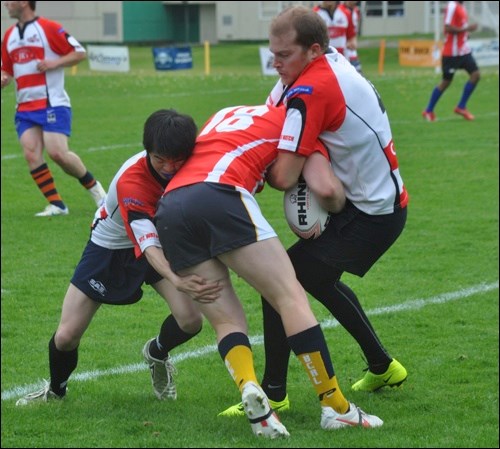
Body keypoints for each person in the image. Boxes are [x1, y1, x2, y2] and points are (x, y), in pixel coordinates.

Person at [219, 5, 408, 417]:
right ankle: (382, 366)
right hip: (371, 204)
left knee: (280, 281)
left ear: (313, 50)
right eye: (273, 53)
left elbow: (285, 176)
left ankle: (274, 392)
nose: (275, 62)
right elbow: (271, 112)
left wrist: (305, 152)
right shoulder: (323, 66)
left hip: (373, 215)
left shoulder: (313, 88)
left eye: (284, 55)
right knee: (312, 281)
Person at [155, 103, 383, 439]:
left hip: (171, 208)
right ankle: (335, 407)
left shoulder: (223, 112)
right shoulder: (299, 123)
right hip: (221, 193)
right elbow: (324, 189)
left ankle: (251, 390)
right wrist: (334, 210)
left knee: (226, 320)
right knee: (288, 295)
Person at [15, 109, 222, 406]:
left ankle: (156, 353)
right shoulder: (132, 181)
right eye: (159, 159)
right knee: (66, 336)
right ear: (148, 150)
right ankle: (56, 392)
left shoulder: (191, 162)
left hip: (159, 238)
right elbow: (146, 246)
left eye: (175, 160)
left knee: (190, 321)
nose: (168, 167)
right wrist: (178, 280)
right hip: (110, 247)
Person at [1, 1, 106, 216]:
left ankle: (98, 192)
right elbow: (7, 70)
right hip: (24, 106)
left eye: (10, 0)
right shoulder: (9, 35)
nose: (5, 4)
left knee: (58, 153)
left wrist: (54, 63)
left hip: (52, 103)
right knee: (31, 154)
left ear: (23, 3)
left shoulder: (48, 28)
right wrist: (3, 78)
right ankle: (57, 205)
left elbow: (79, 52)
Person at [422, 0, 480, 122]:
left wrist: (465, 34)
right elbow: (448, 28)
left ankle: (461, 106)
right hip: (451, 53)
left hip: (463, 51)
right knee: (446, 81)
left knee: (475, 75)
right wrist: (467, 28)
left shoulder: (461, 7)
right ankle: (428, 110)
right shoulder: (452, 5)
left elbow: (459, 28)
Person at [343, 1, 363, 74]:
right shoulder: (340, 10)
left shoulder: (357, 11)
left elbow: (354, 29)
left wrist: (354, 40)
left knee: (357, 70)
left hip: (351, 43)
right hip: (343, 44)